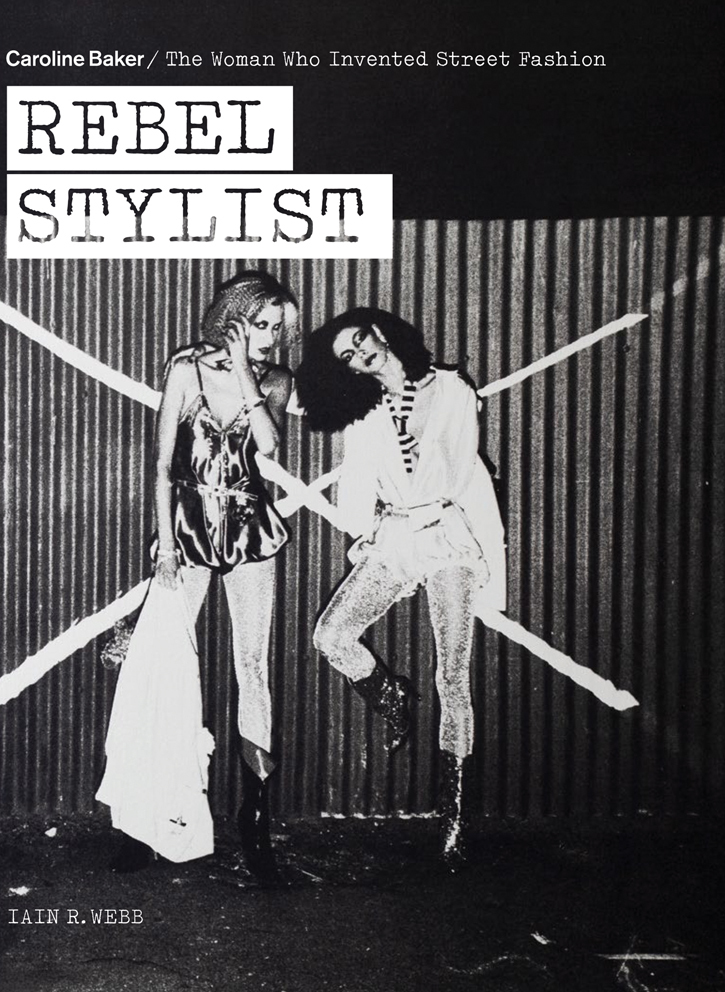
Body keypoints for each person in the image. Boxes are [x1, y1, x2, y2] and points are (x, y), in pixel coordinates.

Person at [97, 270, 297, 884]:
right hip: (186, 528)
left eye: (278, 327)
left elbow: (269, 447)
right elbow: (161, 465)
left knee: (252, 667)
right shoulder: (185, 370)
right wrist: (163, 548)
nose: (271, 336)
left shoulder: (275, 380)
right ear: (233, 317)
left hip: (250, 531)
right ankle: (142, 823)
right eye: (260, 323)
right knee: (160, 664)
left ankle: (254, 821)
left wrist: (246, 372)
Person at [294, 307, 506, 866]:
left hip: (445, 534)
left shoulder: (453, 390)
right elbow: (356, 492)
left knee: (452, 675)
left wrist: (429, 500)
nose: (360, 354)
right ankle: (389, 695)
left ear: (381, 333)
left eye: (360, 340)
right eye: (347, 356)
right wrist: (371, 524)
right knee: (331, 634)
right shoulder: (365, 413)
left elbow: (462, 471)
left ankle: (453, 814)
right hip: (395, 537)